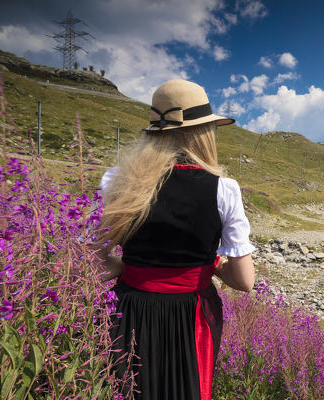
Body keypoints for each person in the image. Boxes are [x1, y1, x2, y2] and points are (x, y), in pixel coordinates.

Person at [95, 79, 256, 399]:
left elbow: (88, 254)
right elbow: (244, 281)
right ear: (203, 133)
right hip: (192, 314)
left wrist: (124, 266)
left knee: (129, 389)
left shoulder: (117, 181)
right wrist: (218, 266)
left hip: (129, 309)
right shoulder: (223, 189)